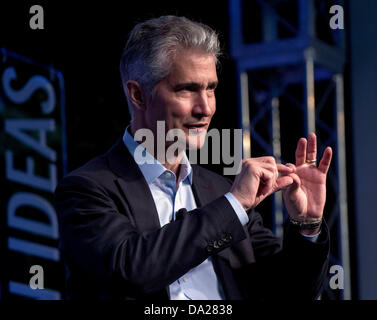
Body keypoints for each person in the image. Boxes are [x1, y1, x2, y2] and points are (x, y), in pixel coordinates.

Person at [54, 15, 332, 300]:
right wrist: (234, 204)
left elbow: (290, 292)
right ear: (138, 95)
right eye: (187, 89)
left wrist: (306, 224)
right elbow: (130, 270)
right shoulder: (86, 189)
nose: (205, 108)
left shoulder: (221, 192)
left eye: (210, 88)